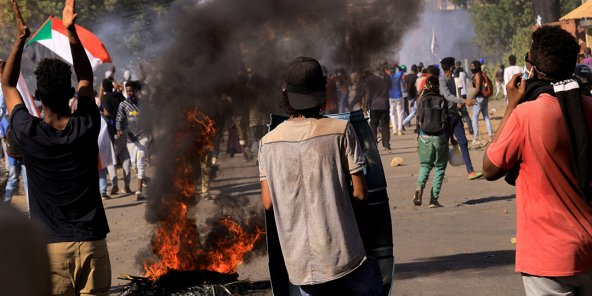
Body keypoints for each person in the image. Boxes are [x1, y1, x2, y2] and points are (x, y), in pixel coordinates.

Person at [1, 1, 111, 295]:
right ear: (72, 93)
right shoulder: (86, 125)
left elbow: (8, 85)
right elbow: (86, 76)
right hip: (92, 244)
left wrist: (20, 39)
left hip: (51, 250)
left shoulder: (28, 131)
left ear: (37, 96)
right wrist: (70, 30)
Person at [259, 56, 382, 295]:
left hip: (300, 265)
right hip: (343, 257)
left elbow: (267, 202)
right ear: (321, 92)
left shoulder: (268, 142)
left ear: (287, 95)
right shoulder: (341, 131)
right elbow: (360, 193)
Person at [484, 26, 592, 296]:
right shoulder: (588, 106)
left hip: (548, 259)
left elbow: (489, 168)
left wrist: (511, 105)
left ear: (531, 69)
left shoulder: (526, 115)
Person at [413, 75, 456, 208]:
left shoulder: (422, 100)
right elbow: (447, 121)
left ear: (426, 86)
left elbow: (418, 120)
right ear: (438, 87)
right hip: (440, 138)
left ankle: (419, 187)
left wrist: (418, 137)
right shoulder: (442, 100)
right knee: (439, 168)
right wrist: (452, 138)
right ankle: (433, 199)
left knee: (425, 165)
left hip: (424, 137)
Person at [440, 57, 482, 180]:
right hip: (445, 117)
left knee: (463, 142)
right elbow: (448, 96)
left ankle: (470, 171)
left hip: (455, 115)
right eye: (453, 66)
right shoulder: (442, 80)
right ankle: (440, 173)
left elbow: (453, 97)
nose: (455, 68)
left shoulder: (453, 79)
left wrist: (459, 103)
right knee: (443, 147)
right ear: (451, 67)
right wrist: (464, 101)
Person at [116, 81, 148, 200]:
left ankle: (139, 191)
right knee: (134, 164)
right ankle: (144, 178)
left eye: (131, 91)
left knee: (140, 163)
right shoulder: (123, 105)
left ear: (135, 91)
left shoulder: (142, 103)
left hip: (143, 137)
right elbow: (118, 119)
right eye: (127, 91)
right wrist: (118, 129)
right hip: (130, 139)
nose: (129, 93)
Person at [101, 78, 131, 195]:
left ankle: (114, 186)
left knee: (111, 158)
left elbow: (107, 113)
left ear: (103, 88)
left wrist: (102, 113)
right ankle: (127, 185)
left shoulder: (105, 98)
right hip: (124, 128)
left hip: (113, 130)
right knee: (125, 156)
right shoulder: (119, 96)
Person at [365, 66, 393, 150]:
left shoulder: (370, 79)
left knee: (373, 124)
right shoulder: (387, 77)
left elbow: (368, 93)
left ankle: (374, 144)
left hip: (374, 104)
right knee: (385, 125)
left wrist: (366, 104)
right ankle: (386, 145)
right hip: (384, 103)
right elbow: (390, 87)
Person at [470, 60, 493, 147]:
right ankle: (491, 136)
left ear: (476, 67)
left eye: (473, 66)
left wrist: (471, 98)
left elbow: (478, 89)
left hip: (479, 98)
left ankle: (475, 138)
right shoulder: (482, 74)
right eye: (471, 66)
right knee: (486, 117)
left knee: (474, 118)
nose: (471, 68)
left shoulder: (477, 75)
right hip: (485, 98)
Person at [454, 61, 473, 135]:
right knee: (464, 112)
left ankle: (465, 128)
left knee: (461, 112)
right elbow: (469, 77)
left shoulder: (455, 75)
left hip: (458, 95)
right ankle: (470, 128)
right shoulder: (464, 73)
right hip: (464, 93)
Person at [388, 63, 405, 136]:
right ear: (395, 70)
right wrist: (397, 65)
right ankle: (400, 130)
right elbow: (402, 70)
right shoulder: (398, 75)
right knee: (400, 113)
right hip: (399, 96)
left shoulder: (388, 77)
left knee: (392, 113)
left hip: (391, 97)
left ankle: (394, 129)